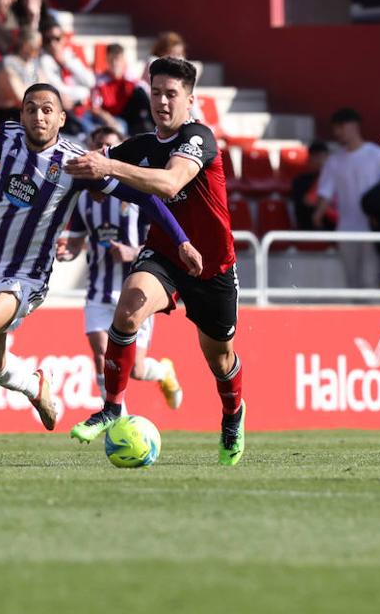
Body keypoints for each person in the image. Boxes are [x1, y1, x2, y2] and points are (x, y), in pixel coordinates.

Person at [0, 85, 200, 459]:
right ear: (22, 115)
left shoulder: (76, 162)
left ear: (61, 119)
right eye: (31, 109)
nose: (39, 116)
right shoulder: (7, 138)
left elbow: (143, 197)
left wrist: (180, 241)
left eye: (48, 109)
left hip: (24, 279)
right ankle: (36, 386)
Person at [64, 57, 245, 465]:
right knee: (127, 311)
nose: (162, 101)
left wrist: (108, 166)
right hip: (165, 254)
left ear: (190, 99)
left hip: (212, 266)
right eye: (157, 92)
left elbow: (169, 182)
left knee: (220, 359)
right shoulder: (140, 146)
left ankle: (233, 415)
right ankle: (112, 408)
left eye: (172, 94)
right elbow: (90, 170)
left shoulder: (199, 138)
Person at [59, 126, 182, 407]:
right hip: (98, 292)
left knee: (135, 369)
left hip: (136, 290)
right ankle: (116, 422)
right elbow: (77, 242)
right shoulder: (84, 198)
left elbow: (162, 243)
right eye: (98, 145)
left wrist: (132, 251)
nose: (103, 151)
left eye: (110, 146)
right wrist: (67, 251)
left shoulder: (138, 193)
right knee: (102, 356)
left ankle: (163, 371)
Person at [310, 108, 380, 290]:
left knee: (370, 279)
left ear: (354, 126)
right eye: (335, 129)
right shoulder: (335, 161)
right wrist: (318, 215)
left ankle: (372, 318)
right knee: (351, 282)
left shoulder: (377, 155)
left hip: (373, 228)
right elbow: (325, 191)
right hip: (346, 229)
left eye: (341, 127)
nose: (338, 133)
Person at [291, 141, 336, 231]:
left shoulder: (336, 179)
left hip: (334, 227)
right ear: (309, 159)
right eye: (316, 157)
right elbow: (309, 201)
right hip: (310, 228)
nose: (320, 161)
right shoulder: (301, 181)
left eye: (323, 157)